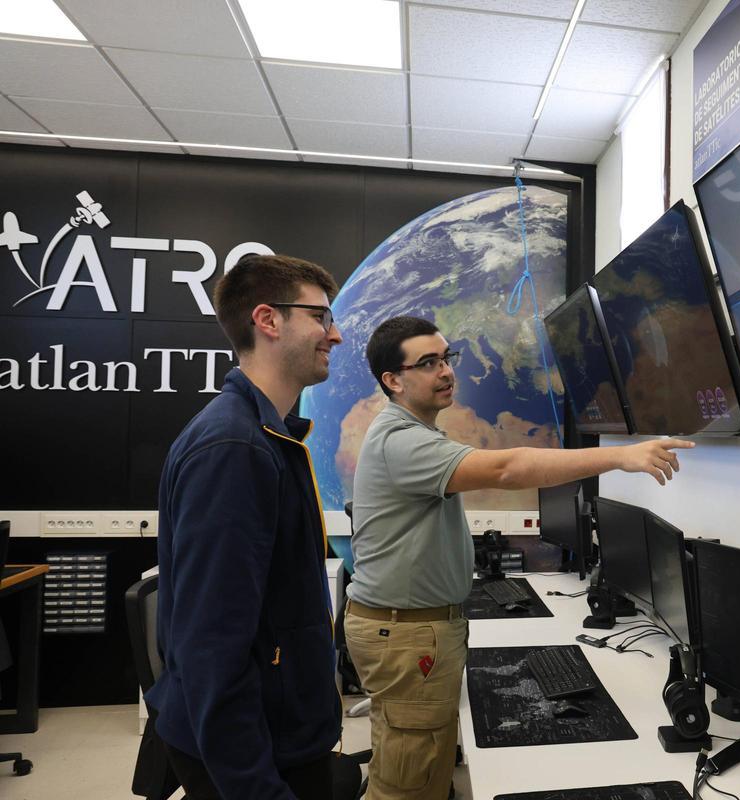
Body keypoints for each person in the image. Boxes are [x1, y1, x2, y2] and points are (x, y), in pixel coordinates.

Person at [345, 316, 694, 800]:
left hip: (412, 627)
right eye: (428, 363)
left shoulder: (414, 433)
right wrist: (620, 457)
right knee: (407, 783)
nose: (446, 371)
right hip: (408, 632)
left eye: (448, 358)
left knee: (417, 762)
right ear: (393, 380)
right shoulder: (401, 440)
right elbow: (509, 468)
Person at [147, 254, 345, 800]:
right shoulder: (234, 448)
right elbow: (211, 643)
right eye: (322, 317)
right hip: (257, 755)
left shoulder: (262, 435)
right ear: (268, 320)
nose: (337, 334)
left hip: (275, 735)